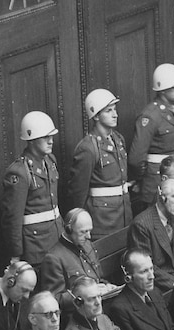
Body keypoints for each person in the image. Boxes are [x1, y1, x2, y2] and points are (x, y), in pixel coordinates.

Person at [68, 89, 131, 240]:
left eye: (115, 110)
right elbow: (78, 192)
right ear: (96, 116)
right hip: (102, 221)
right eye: (108, 111)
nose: (115, 114)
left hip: (124, 215)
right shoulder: (88, 148)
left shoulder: (118, 139)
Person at [1, 111, 63, 266]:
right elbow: (12, 218)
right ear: (32, 140)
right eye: (45, 137)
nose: (51, 141)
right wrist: (15, 253)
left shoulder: (50, 161)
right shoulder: (19, 172)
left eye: (51, 136)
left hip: (56, 237)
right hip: (36, 245)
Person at [129, 63, 174, 214]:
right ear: (162, 89)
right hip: (156, 179)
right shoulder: (150, 115)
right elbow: (136, 158)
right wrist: (143, 179)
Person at [127, 179, 174, 292]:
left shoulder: (173, 217)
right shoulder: (141, 225)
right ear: (162, 197)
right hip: (156, 284)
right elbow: (145, 267)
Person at [40, 208, 111, 311]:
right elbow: (54, 299)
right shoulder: (53, 258)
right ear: (69, 230)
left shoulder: (88, 246)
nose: (89, 236)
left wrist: (107, 286)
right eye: (83, 232)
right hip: (77, 313)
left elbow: (98, 277)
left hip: (98, 305)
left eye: (89, 231)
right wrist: (85, 295)